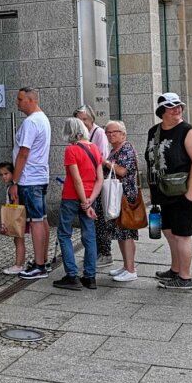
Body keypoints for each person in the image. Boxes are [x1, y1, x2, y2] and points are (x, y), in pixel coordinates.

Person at [146, 93, 192, 291]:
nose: (177, 109)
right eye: (172, 107)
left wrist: (190, 192)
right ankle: (175, 269)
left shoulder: (187, 132)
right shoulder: (154, 131)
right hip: (164, 191)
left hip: (185, 190)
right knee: (168, 231)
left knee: (182, 234)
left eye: (179, 106)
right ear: (162, 111)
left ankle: (185, 277)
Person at [53, 118, 104, 290]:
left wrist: (84, 203)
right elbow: (100, 179)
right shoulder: (95, 148)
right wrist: (90, 200)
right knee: (89, 236)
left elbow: (76, 180)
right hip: (90, 196)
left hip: (72, 197)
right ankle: (90, 277)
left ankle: (72, 275)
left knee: (64, 234)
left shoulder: (71, 150)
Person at [10, 88, 53, 280]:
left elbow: (23, 153)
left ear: (31, 100)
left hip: (29, 178)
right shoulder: (43, 119)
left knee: (35, 221)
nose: (17, 103)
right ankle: (42, 259)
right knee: (41, 219)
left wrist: (15, 181)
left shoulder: (31, 122)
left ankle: (39, 265)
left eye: (20, 99)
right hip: (40, 176)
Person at [76, 105, 113, 265]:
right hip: (88, 180)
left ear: (91, 118)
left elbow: (102, 157)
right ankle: (97, 252)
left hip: (98, 179)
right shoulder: (81, 135)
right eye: (79, 120)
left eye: (85, 119)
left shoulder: (98, 133)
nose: (83, 122)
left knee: (99, 218)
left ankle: (105, 253)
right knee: (93, 219)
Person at [103, 120, 140, 281]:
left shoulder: (126, 148)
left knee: (126, 232)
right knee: (120, 232)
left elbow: (122, 171)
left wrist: (104, 162)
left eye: (114, 132)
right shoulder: (115, 149)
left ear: (123, 133)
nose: (111, 135)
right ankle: (126, 266)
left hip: (126, 195)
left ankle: (131, 269)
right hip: (118, 195)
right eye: (108, 132)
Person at [0, 161, 27, 274]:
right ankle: (20, 263)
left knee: (19, 240)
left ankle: (19, 264)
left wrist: (7, 222)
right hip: (17, 218)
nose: (4, 177)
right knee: (18, 240)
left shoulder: (13, 188)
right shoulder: (11, 187)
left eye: (6, 173)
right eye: (1, 174)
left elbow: (15, 205)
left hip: (16, 219)